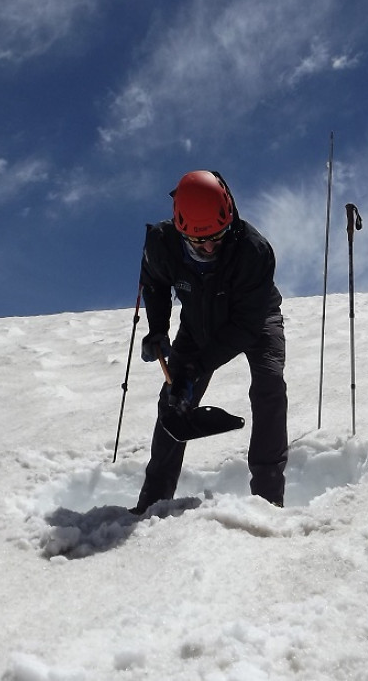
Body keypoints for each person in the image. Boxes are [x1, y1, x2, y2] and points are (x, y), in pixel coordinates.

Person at [132, 169, 288, 514]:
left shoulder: (254, 251)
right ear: (180, 230)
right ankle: (153, 500)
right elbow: (154, 282)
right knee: (173, 401)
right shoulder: (162, 243)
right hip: (197, 320)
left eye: (217, 237)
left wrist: (194, 367)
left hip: (256, 318)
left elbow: (245, 327)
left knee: (269, 385)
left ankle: (268, 497)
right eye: (198, 241)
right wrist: (158, 329)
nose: (208, 247)